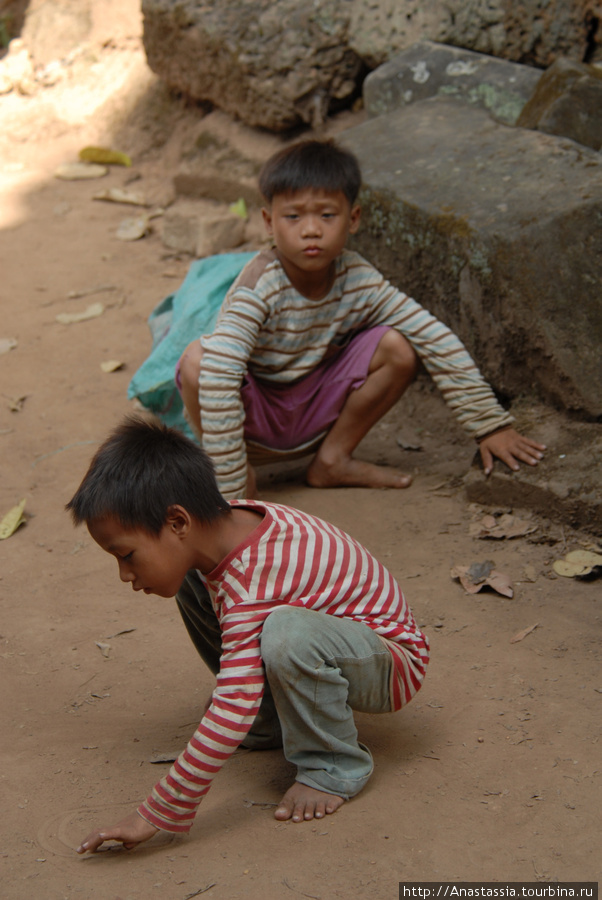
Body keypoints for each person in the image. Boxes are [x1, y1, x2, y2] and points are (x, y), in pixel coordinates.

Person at [66, 416, 430, 853]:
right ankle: (269, 717)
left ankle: (332, 765)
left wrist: (157, 811)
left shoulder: (254, 580)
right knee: (193, 577)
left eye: (127, 555)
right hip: (339, 640)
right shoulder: (222, 524)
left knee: (286, 634)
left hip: (390, 663)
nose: (125, 574)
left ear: (178, 521)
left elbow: (232, 701)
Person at [177, 139, 545, 501]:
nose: (310, 230)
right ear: (268, 221)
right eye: (293, 216)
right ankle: (246, 487)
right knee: (200, 361)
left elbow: (431, 334)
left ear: (353, 219)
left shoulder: (359, 279)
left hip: (314, 416)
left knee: (397, 346)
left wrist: (490, 425)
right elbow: (222, 372)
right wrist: (232, 486)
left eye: (326, 215)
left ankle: (332, 460)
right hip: (251, 427)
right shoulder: (259, 286)